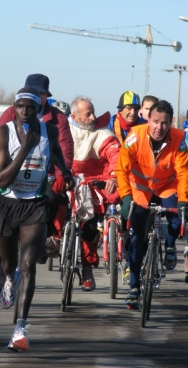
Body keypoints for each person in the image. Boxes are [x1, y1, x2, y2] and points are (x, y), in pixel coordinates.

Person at [0, 86, 74, 351]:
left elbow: (57, 154)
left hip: (34, 205)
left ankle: (19, 328)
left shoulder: (49, 131)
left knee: (28, 265)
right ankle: (8, 281)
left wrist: (64, 171)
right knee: (9, 263)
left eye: (31, 108)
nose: (25, 112)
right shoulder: (4, 133)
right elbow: (1, 179)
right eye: (20, 107)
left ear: (39, 110)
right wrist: (25, 149)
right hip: (6, 203)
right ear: (14, 108)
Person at [116, 100, 188, 309]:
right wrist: (126, 196)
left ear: (170, 122)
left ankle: (171, 246)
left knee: (177, 219)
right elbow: (121, 169)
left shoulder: (180, 138)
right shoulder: (134, 136)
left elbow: (183, 172)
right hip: (140, 190)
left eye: (164, 123)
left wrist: (184, 200)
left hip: (167, 187)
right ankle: (134, 287)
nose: (159, 128)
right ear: (148, 120)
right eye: (155, 122)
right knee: (137, 240)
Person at [69, 96, 120, 291]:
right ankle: (54, 239)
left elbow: (114, 153)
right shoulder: (64, 130)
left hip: (93, 183)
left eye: (93, 113)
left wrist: (114, 175)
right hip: (68, 180)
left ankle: (87, 268)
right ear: (75, 116)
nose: (92, 117)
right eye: (87, 114)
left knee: (90, 227)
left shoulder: (102, 132)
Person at [108, 90, 146, 284]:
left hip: (137, 179)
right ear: (120, 110)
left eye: (136, 109)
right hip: (114, 174)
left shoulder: (144, 127)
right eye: (128, 108)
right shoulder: (109, 125)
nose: (132, 112)